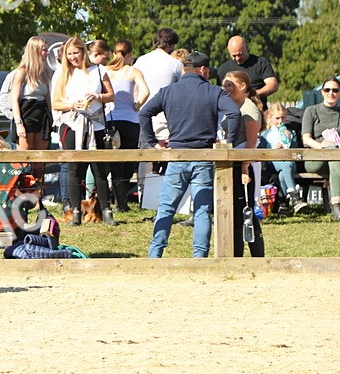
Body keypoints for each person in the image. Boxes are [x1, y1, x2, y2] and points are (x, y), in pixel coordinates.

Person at [140, 51, 243, 258]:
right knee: (202, 210)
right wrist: (229, 141)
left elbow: (144, 113)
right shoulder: (214, 91)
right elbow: (234, 113)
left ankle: (155, 254)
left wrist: (153, 142)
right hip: (203, 156)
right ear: (203, 69)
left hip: (176, 155)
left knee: (166, 208)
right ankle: (200, 257)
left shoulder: (168, 91)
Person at [52, 36, 117, 225]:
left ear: (83, 52)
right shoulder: (63, 73)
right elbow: (55, 102)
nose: (73, 57)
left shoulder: (98, 70)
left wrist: (97, 96)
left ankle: (106, 210)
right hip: (72, 124)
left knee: (99, 169)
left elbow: (111, 95)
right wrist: (71, 104)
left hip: (96, 124)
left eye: (76, 52)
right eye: (69, 54)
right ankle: (76, 211)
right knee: (74, 169)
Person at [221, 71, 265, 256]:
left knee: (246, 212)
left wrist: (245, 169)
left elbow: (251, 143)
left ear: (242, 86)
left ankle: (257, 257)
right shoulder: (233, 106)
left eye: (230, 85)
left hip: (245, 165)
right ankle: (236, 255)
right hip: (234, 163)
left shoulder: (249, 109)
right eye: (225, 85)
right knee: (235, 212)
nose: (226, 89)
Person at [103, 39, 150, 211]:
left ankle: (119, 202)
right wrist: (138, 105)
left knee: (115, 162)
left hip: (111, 120)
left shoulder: (106, 71)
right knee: (129, 161)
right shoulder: (133, 71)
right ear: (129, 54)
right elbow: (146, 91)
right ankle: (122, 202)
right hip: (131, 120)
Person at [133, 27, 182, 148]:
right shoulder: (176, 64)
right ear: (171, 45)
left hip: (143, 118)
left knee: (146, 156)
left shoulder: (140, 61)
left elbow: (134, 88)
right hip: (167, 121)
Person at [8, 36, 54, 162]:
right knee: (24, 158)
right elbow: (14, 100)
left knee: (41, 159)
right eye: (44, 50)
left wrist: (52, 117)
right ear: (35, 51)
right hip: (26, 114)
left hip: (42, 115)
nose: (48, 52)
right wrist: (19, 124)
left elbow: (48, 97)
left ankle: (39, 175)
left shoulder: (45, 72)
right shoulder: (22, 72)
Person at [301, 76, 340, 221]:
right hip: (315, 158)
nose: (331, 93)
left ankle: (335, 205)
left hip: (336, 157)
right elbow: (306, 138)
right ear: (322, 92)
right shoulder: (311, 110)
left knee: (335, 156)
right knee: (333, 153)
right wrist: (322, 146)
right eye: (327, 90)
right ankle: (336, 205)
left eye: (335, 90)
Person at [259, 102, 306, 214]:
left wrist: (289, 141)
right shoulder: (265, 134)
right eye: (277, 118)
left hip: (290, 162)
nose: (280, 121)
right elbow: (261, 153)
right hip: (273, 163)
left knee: (283, 173)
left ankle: (283, 204)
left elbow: (295, 150)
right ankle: (295, 198)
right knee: (286, 165)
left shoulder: (291, 132)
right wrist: (272, 148)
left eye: (283, 118)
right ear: (270, 118)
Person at [217, 36, 278, 105]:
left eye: (240, 54)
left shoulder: (260, 63)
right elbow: (219, 94)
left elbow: (273, 85)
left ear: (246, 47)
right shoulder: (223, 69)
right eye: (234, 56)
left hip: (257, 108)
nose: (237, 58)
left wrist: (253, 95)